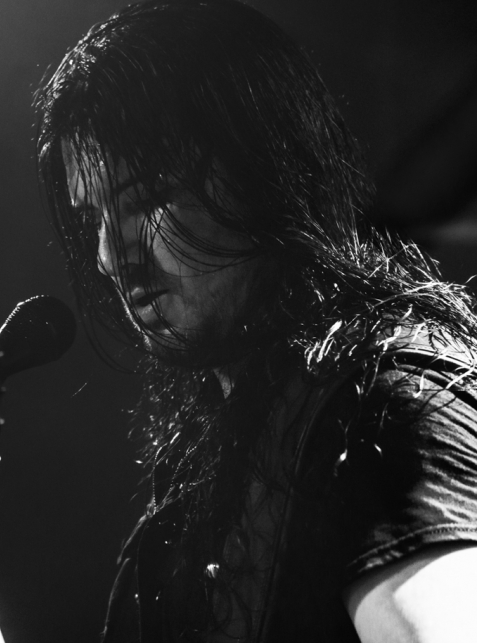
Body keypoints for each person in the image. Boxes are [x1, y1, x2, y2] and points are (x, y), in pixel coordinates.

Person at [34, 1, 477, 641]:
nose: (111, 255)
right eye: (93, 218)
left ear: (264, 173)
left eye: (144, 198)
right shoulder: (193, 495)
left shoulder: (380, 406)